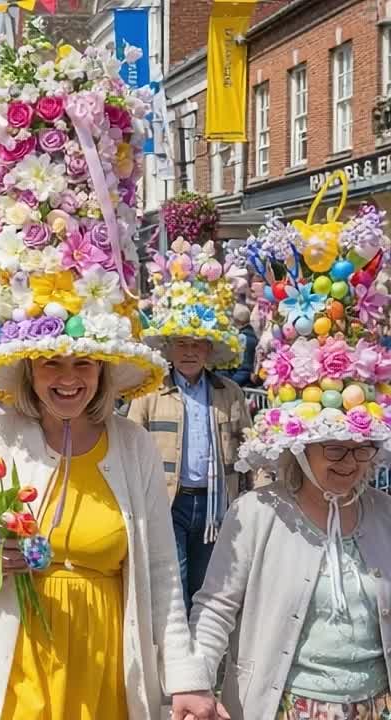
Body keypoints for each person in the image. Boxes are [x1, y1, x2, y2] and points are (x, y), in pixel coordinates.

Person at [0, 32, 218, 719]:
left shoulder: (130, 447)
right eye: (53, 363)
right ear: (29, 371)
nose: (68, 377)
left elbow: (158, 576)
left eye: (83, 363)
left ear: (102, 370)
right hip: (12, 662)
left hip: (104, 666)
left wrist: (185, 678)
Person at [190, 194, 391, 719]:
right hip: (287, 709)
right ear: (301, 449)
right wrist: (194, 684)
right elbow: (214, 607)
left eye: (362, 446)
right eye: (333, 447)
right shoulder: (257, 514)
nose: (350, 461)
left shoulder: (386, 514)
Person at [128, 239, 252, 611]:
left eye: (197, 344)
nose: (189, 351)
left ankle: (203, 659)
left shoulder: (229, 392)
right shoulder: (150, 392)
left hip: (217, 505)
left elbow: (248, 451)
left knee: (209, 586)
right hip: (170, 501)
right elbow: (131, 448)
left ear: (209, 350)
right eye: (181, 343)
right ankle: (174, 661)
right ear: (168, 348)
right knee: (174, 586)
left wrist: (253, 500)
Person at [223, 303, 260, 388]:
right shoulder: (246, 335)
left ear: (237, 320)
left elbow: (244, 369)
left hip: (238, 388)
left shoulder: (245, 338)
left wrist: (229, 386)